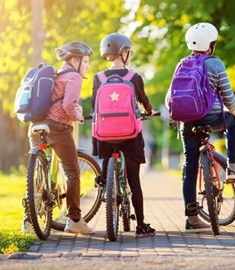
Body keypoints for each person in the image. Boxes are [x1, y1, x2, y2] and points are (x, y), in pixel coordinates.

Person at [165, 22, 235, 232]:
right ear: (211, 44)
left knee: (190, 168)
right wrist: (232, 109)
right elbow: (228, 96)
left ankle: (192, 218)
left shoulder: (181, 63)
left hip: (187, 122)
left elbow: (170, 97)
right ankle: (233, 165)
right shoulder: (215, 63)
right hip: (211, 117)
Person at [22, 41, 95, 234]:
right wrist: (78, 116)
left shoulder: (55, 75)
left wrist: (74, 110)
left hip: (36, 126)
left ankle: (29, 221)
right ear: (74, 60)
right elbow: (68, 107)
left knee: (37, 171)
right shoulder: (74, 77)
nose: (87, 66)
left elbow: (58, 101)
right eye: (85, 61)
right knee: (72, 171)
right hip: (57, 128)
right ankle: (75, 220)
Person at [91, 33, 157, 238]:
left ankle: (104, 179)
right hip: (130, 134)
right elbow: (144, 102)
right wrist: (149, 111)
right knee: (134, 179)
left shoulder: (98, 78)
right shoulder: (134, 77)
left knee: (105, 152)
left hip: (104, 134)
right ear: (124, 52)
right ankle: (141, 224)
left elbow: (95, 105)